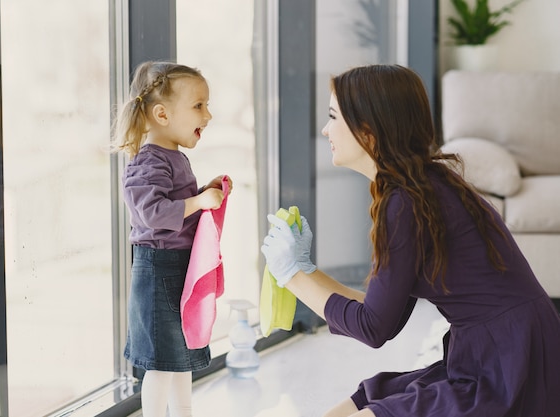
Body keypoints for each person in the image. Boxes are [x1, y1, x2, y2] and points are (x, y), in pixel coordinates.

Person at [261, 64, 560, 417]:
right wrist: (304, 270)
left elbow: (373, 328)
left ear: (368, 130)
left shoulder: (406, 203)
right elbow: (379, 313)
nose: (326, 129)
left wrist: (292, 273)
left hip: (508, 365)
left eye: (333, 117)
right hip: (510, 348)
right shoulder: (420, 187)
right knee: (350, 407)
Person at [111, 61, 232, 417]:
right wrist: (197, 201)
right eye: (199, 106)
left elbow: (177, 205)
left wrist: (204, 193)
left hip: (176, 268)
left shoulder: (171, 157)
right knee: (162, 361)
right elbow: (150, 213)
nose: (207, 116)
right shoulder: (147, 162)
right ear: (162, 114)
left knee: (178, 357)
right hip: (159, 270)